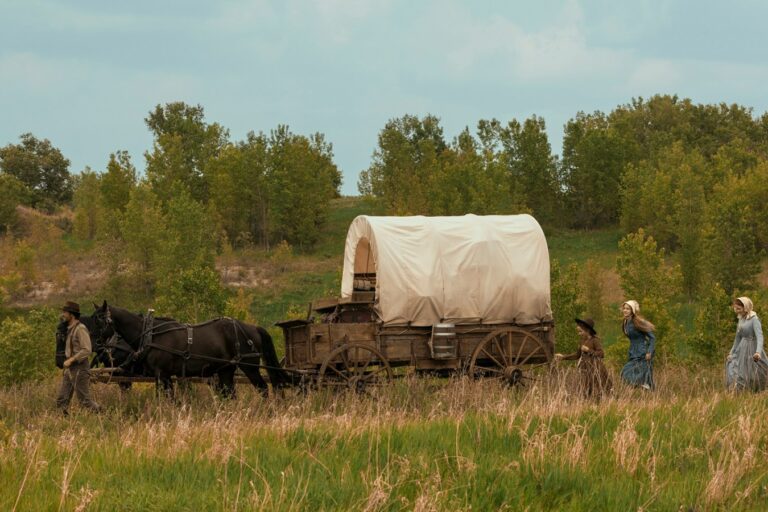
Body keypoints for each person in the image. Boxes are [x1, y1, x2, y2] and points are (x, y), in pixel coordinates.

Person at [56, 301, 101, 415]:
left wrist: (71, 360)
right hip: (70, 369)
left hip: (80, 368)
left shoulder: (80, 328)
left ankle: (103, 415)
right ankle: (63, 423)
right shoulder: (68, 329)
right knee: (62, 399)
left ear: (72, 314)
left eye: (65, 312)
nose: (63, 315)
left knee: (85, 401)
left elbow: (87, 349)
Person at [555, 318, 612, 399]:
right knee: (585, 391)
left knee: (600, 391)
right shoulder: (582, 341)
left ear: (587, 330)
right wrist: (563, 357)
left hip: (595, 369)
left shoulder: (594, 340)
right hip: (585, 369)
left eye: (580, 331)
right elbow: (577, 355)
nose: (579, 334)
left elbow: (601, 354)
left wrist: (588, 350)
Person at [725, 297, 768, 391]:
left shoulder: (754, 319)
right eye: (735, 308)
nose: (736, 311)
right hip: (742, 348)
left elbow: (760, 337)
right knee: (734, 365)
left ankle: (756, 389)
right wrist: (731, 352)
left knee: (753, 370)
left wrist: (758, 352)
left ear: (746, 307)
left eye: (739, 309)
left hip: (752, 347)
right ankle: (739, 391)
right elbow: (737, 338)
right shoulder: (741, 319)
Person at [619, 300, 656, 390]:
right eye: (624, 308)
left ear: (632, 311)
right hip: (632, 352)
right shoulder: (625, 323)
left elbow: (652, 338)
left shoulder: (638, 322)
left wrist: (649, 352)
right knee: (625, 373)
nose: (625, 310)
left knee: (633, 374)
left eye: (627, 309)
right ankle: (643, 387)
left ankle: (647, 390)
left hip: (642, 352)